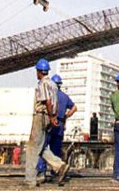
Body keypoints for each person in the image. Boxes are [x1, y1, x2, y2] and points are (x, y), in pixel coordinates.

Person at [25, 59, 70, 187]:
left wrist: (50, 116)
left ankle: (30, 180)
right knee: (41, 147)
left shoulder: (42, 84)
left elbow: (48, 101)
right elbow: (55, 103)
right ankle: (59, 165)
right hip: (49, 117)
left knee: (32, 148)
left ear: (39, 71)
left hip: (41, 116)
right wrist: (53, 117)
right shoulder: (53, 85)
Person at [36, 74, 77, 180]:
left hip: (50, 123)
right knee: (56, 150)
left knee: (43, 148)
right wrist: (66, 116)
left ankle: (41, 173)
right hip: (60, 126)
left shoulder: (50, 94)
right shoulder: (65, 96)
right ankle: (56, 173)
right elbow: (74, 107)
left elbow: (47, 105)